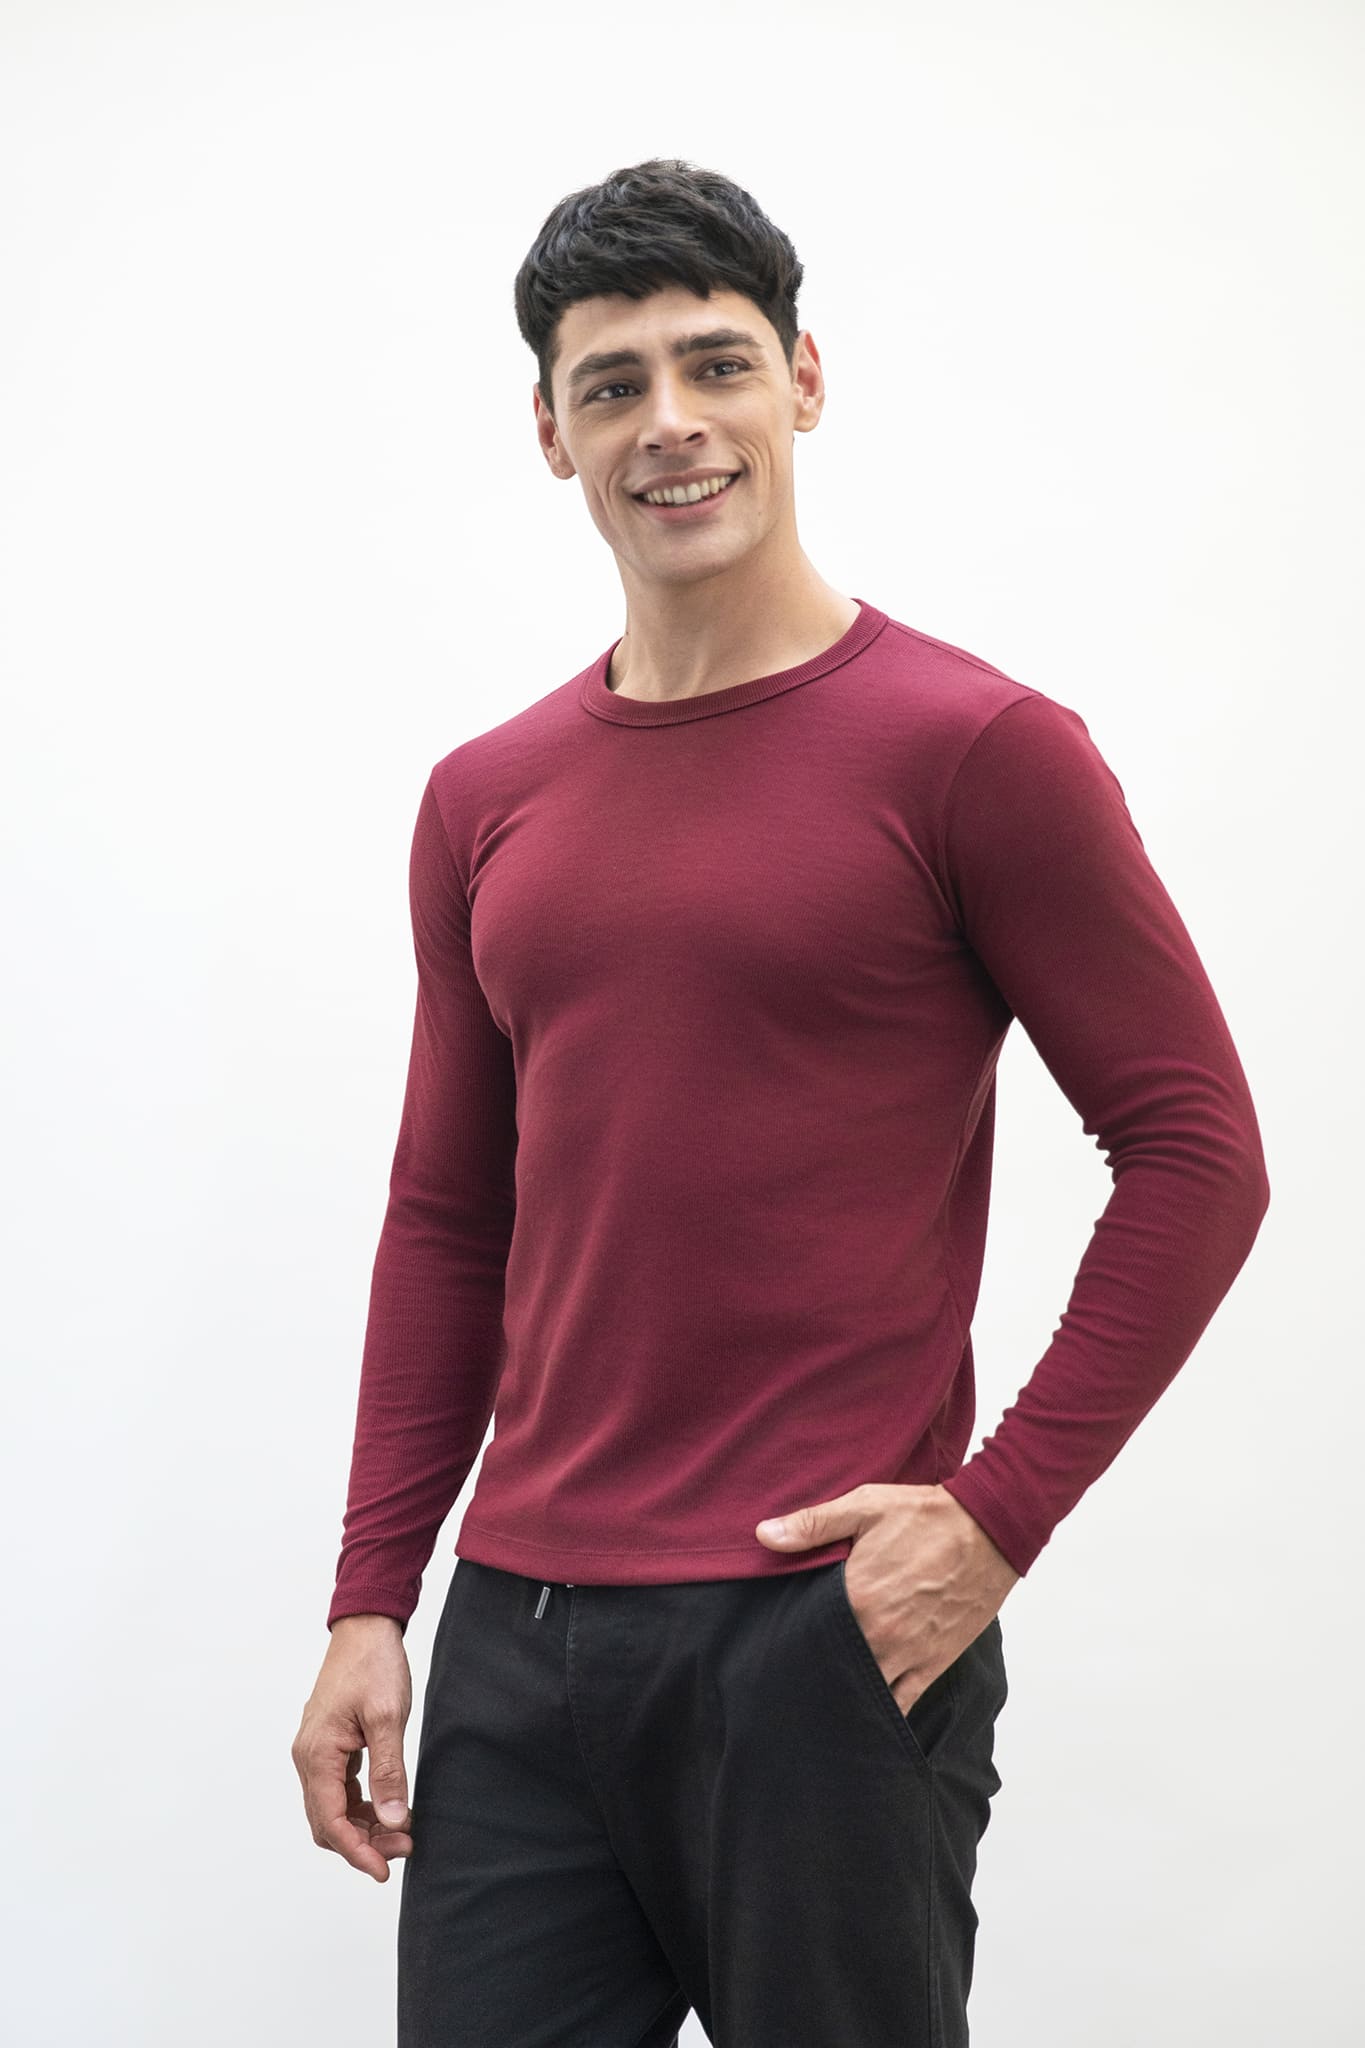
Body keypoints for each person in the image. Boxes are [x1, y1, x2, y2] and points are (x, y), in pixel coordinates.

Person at [292, 157, 1270, 2047]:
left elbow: (1196, 1151)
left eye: (715, 364)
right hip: (515, 1635)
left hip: (816, 1633)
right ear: (551, 433)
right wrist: (369, 1598)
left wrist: (993, 1522)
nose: (669, 422)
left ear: (802, 381)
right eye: (612, 384)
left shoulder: (973, 750)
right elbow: (448, 1217)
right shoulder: (484, 797)